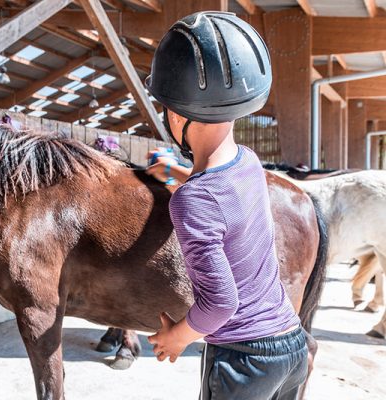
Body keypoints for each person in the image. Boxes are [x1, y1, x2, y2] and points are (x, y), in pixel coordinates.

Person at [145, 12, 308, 400]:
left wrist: (176, 338)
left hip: (243, 362)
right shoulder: (249, 162)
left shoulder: (190, 202)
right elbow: (224, 201)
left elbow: (221, 304)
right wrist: (180, 174)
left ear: (177, 113)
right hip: (291, 348)